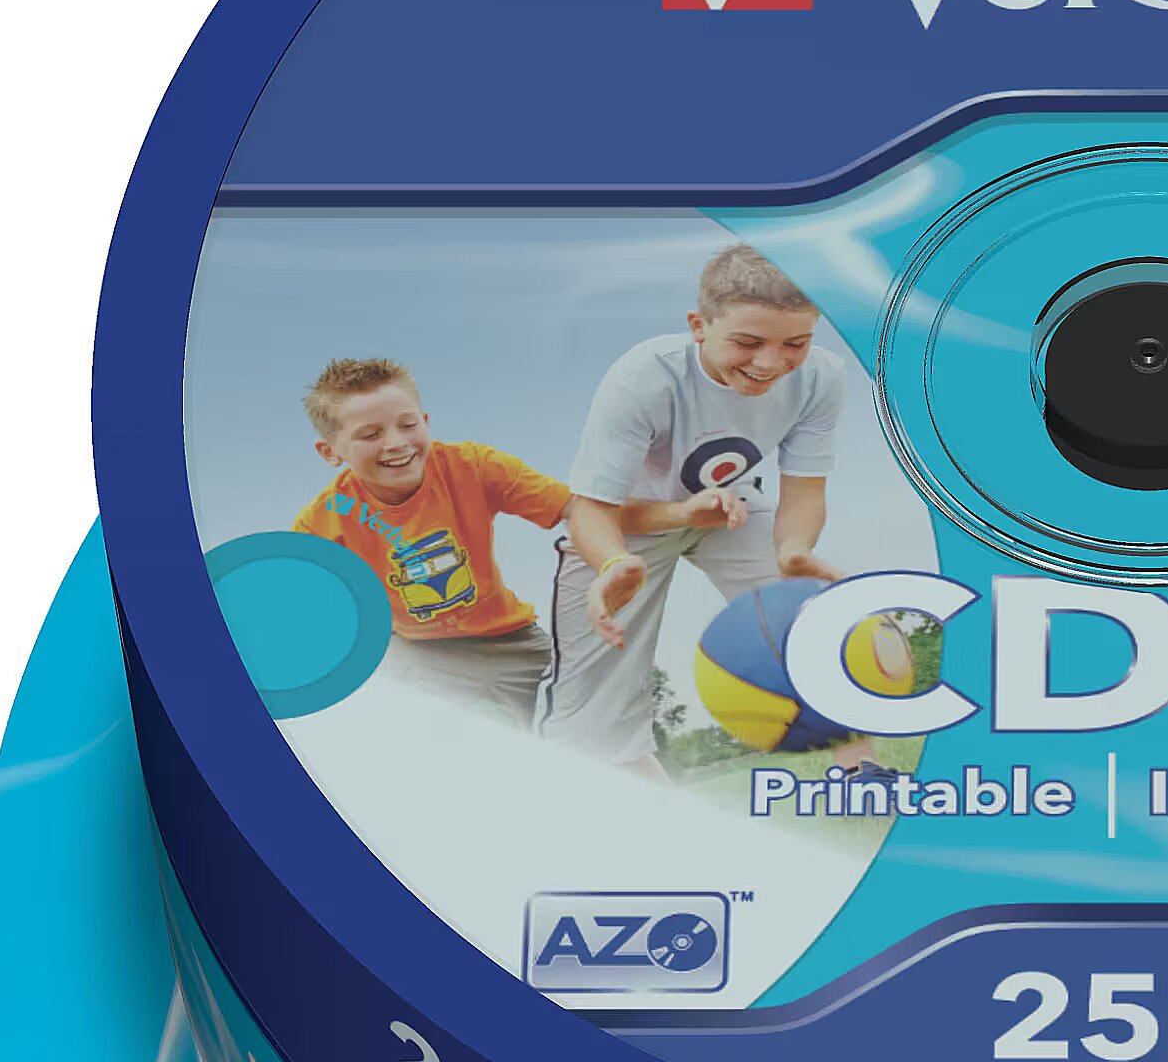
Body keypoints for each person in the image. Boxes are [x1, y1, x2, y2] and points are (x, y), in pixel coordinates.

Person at [536, 246, 875, 775]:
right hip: (626, 527)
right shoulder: (645, 378)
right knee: (595, 701)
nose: (770, 363)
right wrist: (613, 563)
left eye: (795, 343)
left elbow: (805, 490)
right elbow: (591, 509)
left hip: (729, 509)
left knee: (811, 621)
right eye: (747, 342)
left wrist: (793, 550)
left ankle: (864, 775)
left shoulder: (820, 378)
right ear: (699, 326)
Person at [292, 358, 643, 726]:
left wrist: (612, 560)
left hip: (508, 641)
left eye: (408, 425)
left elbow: (574, 507)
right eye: (370, 435)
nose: (396, 443)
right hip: (413, 653)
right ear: (330, 451)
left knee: (590, 720)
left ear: (425, 422)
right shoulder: (320, 524)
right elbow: (308, 613)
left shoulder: (472, 466)